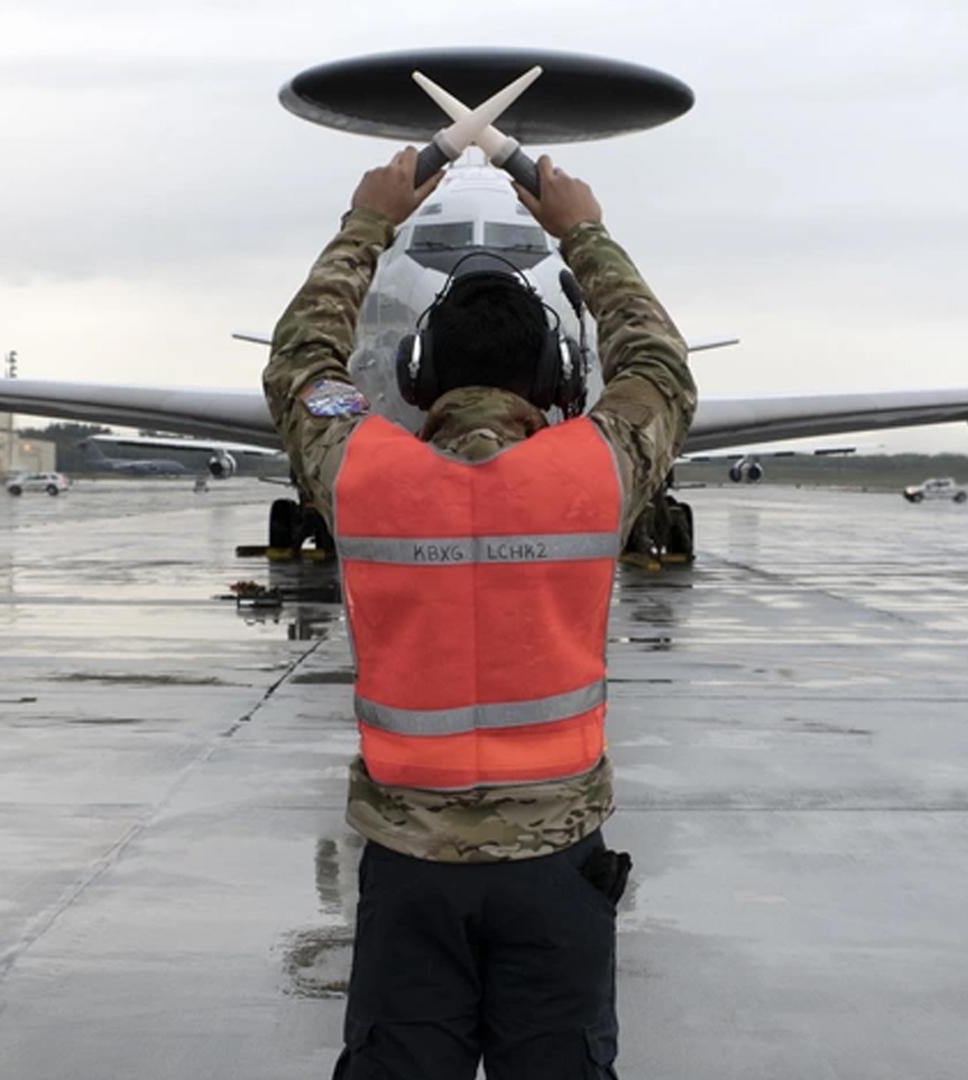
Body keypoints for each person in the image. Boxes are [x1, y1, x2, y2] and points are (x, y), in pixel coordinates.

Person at [262, 146, 695, 1080]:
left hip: (410, 865)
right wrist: (582, 231)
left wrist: (365, 223)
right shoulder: (597, 465)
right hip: (555, 862)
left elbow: (301, 367)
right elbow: (656, 365)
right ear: (551, 373)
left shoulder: (361, 464)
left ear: (412, 375)